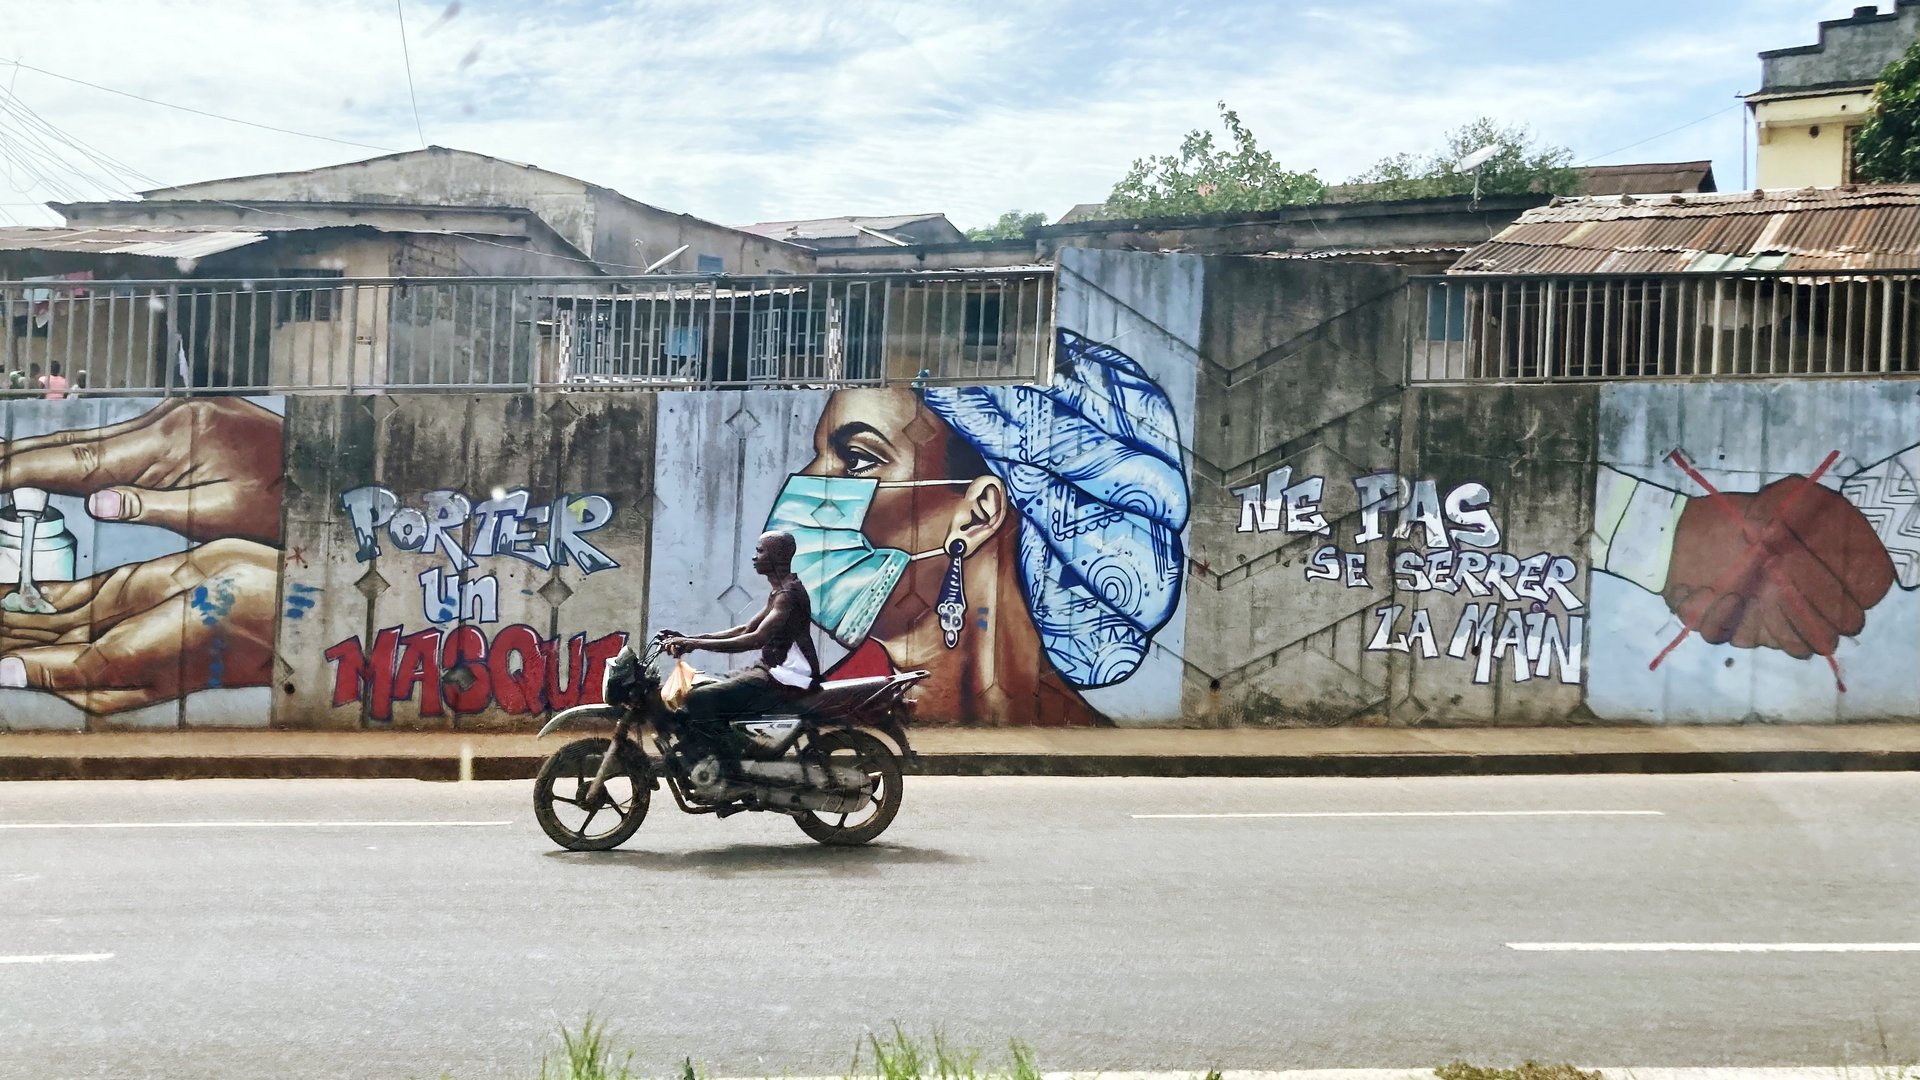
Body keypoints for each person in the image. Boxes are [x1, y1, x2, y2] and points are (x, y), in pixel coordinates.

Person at [764, 330, 1190, 727]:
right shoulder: (830, 711)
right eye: (818, 456)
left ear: (978, 514)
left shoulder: (1083, 732)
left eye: (856, 460)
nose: (805, 486)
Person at [661, 530, 821, 724]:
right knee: (712, 682)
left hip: (789, 676)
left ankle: (722, 752)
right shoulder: (781, 590)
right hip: (772, 670)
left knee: (700, 697)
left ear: (777, 556)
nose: (754, 557)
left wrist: (694, 643)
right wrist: (689, 638)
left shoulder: (789, 594)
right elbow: (746, 629)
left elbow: (756, 639)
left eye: (760, 551)